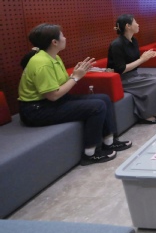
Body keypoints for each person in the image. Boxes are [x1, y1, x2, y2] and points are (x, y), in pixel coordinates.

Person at [18, 24, 131, 166]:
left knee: (103, 98)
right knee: (97, 106)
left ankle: (109, 141)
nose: (65, 38)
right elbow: (53, 96)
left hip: (52, 102)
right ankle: (90, 153)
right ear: (54, 42)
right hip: (36, 110)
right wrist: (76, 77)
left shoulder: (53, 57)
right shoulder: (42, 63)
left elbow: (60, 83)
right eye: (62, 36)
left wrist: (77, 73)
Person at [108, 14, 156, 124]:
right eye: (135, 22)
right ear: (128, 26)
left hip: (133, 74)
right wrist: (142, 59)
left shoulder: (133, 41)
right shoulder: (117, 45)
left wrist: (147, 56)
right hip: (122, 79)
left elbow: (136, 61)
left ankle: (154, 110)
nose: (138, 24)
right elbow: (121, 69)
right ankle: (145, 114)